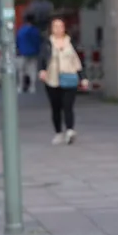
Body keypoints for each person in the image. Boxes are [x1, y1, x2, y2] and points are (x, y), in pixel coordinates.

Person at [38, 16, 89, 145]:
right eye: (55, 26)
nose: (58, 29)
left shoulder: (71, 43)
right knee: (56, 107)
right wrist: (42, 70)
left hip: (69, 77)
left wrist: (83, 77)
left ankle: (70, 130)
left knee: (68, 106)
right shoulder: (47, 43)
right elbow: (41, 59)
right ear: (51, 29)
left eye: (60, 26)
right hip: (52, 79)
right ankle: (58, 132)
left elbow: (78, 61)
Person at [16, 18, 42, 93]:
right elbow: (38, 42)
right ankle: (32, 87)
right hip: (33, 53)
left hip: (22, 53)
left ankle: (20, 86)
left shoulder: (21, 31)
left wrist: (18, 49)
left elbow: (17, 41)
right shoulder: (35, 31)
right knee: (32, 70)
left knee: (21, 71)